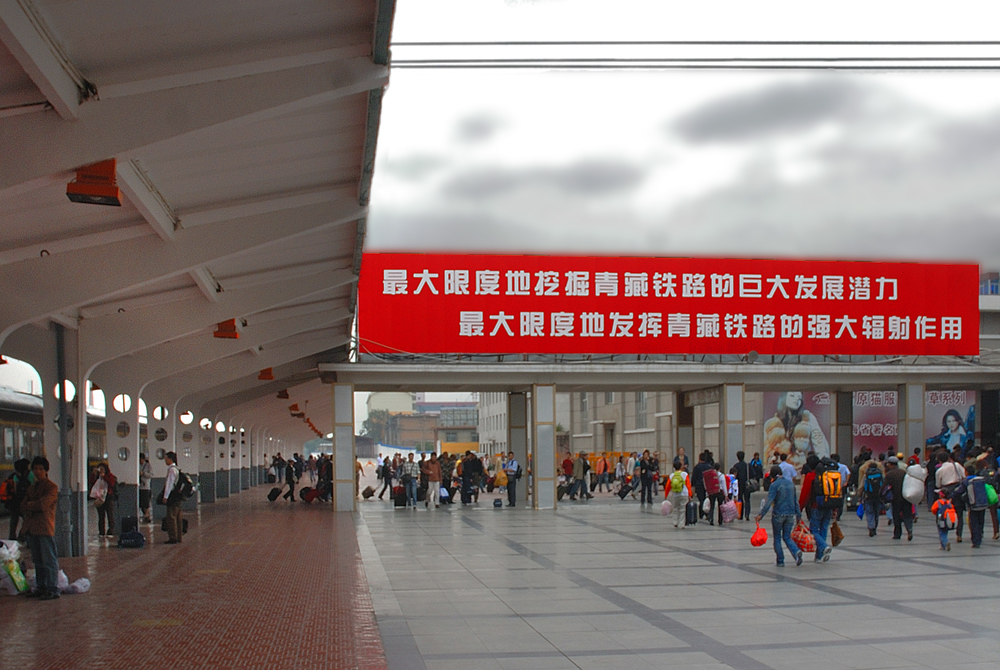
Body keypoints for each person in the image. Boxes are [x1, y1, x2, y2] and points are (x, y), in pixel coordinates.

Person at [21, 456, 61, 599]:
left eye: (40, 469)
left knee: (48, 559)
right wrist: (33, 505)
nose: (37, 472)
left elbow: (43, 505)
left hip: (45, 528)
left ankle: (52, 588)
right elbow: (23, 506)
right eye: (35, 469)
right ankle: (41, 587)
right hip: (32, 529)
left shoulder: (51, 487)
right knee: (37, 560)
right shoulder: (31, 488)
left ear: (46, 471)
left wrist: (32, 504)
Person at [763, 391, 831, 470]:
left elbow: (820, 444)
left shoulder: (808, 418)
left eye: (799, 398)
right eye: (792, 396)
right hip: (779, 471)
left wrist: (825, 465)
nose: (796, 399)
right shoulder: (771, 424)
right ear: (784, 398)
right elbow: (766, 452)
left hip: (801, 470)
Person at [756, 464, 803, 567]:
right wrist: (798, 516)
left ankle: (780, 560)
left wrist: (761, 514)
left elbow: (769, 502)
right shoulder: (791, 484)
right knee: (787, 536)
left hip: (778, 514)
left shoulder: (774, 485)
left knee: (777, 537)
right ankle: (796, 552)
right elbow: (796, 501)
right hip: (790, 514)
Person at [807, 457, 839, 562]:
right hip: (829, 505)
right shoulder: (831, 476)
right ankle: (819, 556)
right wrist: (835, 509)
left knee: (814, 530)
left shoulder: (812, 476)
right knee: (824, 528)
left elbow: (805, 494)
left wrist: (800, 507)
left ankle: (824, 547)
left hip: (817, 506)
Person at [935, 451, 966, 542]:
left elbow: (938, 484)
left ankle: (945, 535)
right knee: (959, 514)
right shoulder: (956, 465)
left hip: (946, 492)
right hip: (958, 490)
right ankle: (959, 534)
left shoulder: (940, 470)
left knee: (945, 513)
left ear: (939, 460)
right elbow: (964, 475)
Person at [884, 456, 913, 541]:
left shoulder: (890, 474)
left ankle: (897, 534)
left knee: (896, 516)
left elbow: (885, 487)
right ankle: (910, 530)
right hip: (906, 497)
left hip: (895, 498)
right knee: (907, 515)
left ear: (890, 464)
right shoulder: (904, 472)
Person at [160, 452, 184, 544]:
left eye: (166, 458)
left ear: (170, 459)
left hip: (173, 497)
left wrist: (165, 496)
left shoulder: (171, 470)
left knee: (171, 517)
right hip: (178, 497)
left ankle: (173, 537)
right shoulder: (177, 469)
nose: (165, 460)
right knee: (178, 517)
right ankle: (179, 537)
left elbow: (169, 484)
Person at [4, 458, 31, 540]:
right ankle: (21, 536)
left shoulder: (12, 477)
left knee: (14, 520)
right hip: (22, 502)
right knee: (26, 520)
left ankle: (12, 536)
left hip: (13, 503)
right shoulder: (27, 477)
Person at [859, 459, 884, 536]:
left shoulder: (866, 474)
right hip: (878, 496)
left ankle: (871, 527)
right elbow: (883, 484)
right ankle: (875, 527)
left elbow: (862, 486)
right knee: (876, 512)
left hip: (868, 496)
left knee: (869, 512)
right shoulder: (880, 474)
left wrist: (859, 494)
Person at [92, 463, 118, 537]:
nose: (101, 471)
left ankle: (111, 531)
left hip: (108, 497)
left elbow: (111, 483)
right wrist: (94, 474)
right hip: (99, 497)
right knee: (101, 516)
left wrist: (104, 476)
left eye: (102, 469)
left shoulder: (110, 476)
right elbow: (92, 482)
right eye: (99, 469)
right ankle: (101, 532)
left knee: (110, 514)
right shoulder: (97, 477)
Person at [667, 460, 692, 528]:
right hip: (684, 493)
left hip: (675, 494)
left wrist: (666, 495)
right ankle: (681, 524)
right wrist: (690, 494)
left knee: (675, 508)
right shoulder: (684, 474)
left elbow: (668, 486)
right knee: (682, 509)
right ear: (681, 466)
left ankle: (675, 522)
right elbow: (688, 485)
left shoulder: (672, 475)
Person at [731, 451, 751, 520]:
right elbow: (752, 474)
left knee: (740, 498)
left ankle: (740, 514)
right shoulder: (748, 465)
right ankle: (747, 514)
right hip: (746, 484)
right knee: (747, 499)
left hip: (739, 484)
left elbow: (734, 476)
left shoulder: (736, 466)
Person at [139, 453, 153, 523]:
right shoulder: (137, 465)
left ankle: (147, 515)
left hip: (146, 486)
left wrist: (143, 473)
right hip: (139, 486)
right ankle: (146, 515)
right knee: (141, 503)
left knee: (146, 502)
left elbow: (151, 474)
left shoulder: (148, 466)